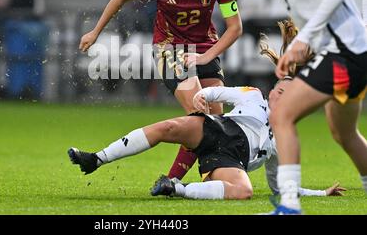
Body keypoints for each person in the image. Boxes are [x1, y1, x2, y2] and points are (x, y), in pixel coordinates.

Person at [70, 20, 346, 200]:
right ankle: (96, 159)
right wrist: (201, 96)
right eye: (279, 88)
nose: (278, 93)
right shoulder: (253, 96)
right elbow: (216, 92)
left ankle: (177, 188)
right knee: (168, 128)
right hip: (217, 129)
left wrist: (322, 193)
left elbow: (280, 186)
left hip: (229, 160)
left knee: (244, 191)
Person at [79, 0, 243, 181]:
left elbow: (235, 27)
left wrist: (205, 56)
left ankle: (188, 179)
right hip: (170, 49)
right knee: (200, 113)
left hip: (205, 49)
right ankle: (177, 179)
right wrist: (95, 31)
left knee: (215, 120)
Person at [245, 0, 367, 214]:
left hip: (346, 54)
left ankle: (289, 205)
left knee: (282, 113)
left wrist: (304, 40)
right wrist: (301, 47)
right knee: (343, 132)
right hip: (348, 55)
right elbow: (315, 13)